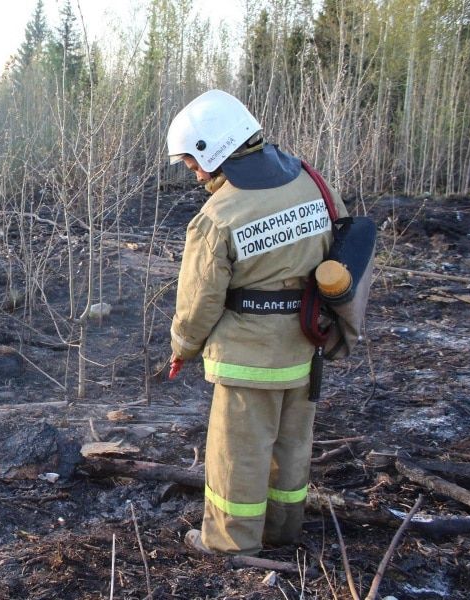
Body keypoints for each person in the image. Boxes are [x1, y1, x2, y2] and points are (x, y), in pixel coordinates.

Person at [165, 89, 347, 556]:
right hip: (308, 345)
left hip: (249, 359)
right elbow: (342, 239)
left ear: (215, 149)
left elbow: (199, 302)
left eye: (194, 164)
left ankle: (229, 543)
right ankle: (282, 531)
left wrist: (182, 346)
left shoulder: (219, 215)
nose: (198, 175)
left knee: (238, 456)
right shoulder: (311, 181)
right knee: (291, 448)